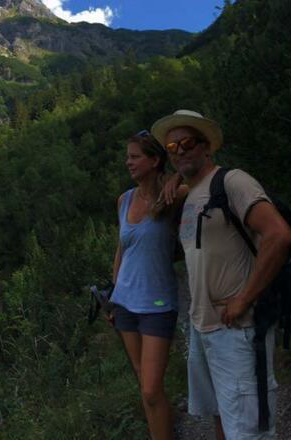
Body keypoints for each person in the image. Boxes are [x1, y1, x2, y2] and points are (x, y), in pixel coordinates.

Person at [152, 110, 291, 440]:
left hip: (239, 330)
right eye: (173, 146)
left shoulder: (232, 182)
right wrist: (175, 182)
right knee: (220, 418)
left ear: (207, 147)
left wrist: (244, 298)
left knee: (249, 431)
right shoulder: (190, 196)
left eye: (187, 142)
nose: (180, 150)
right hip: (203, 329)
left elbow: (279, 235)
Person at [109, 130, 181, 440]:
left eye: (135, 156)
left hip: (157, 304)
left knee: (151, 388)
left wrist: (177, 178)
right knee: (144, 385)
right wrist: (113, 294)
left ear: (154, 160)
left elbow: (200, 180)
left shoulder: (173, 195)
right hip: (125, 302)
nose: (128, 162)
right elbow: (122, 250)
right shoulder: (124, 200)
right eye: (128, 156)